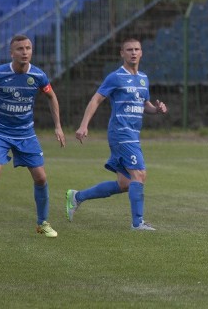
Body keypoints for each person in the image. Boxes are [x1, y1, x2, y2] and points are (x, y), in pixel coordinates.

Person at [66, 38, 167, 231]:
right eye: (129, 50)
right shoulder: (115, 77)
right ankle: (137, 223)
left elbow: (145, 105)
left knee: (125, 183)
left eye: (137, 49)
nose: (133, 53)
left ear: (142, 52)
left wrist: (157, 109)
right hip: (121, 132)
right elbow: (96, 99)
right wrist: (84, 125)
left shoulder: (143, 78)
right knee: (139, 175)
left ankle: (77, 196)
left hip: (133, 134)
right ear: (122, 53)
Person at [0, 34, 65, 237]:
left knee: (41, 178)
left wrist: (58, 126)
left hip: (25, 134)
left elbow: (51, 96)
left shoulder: (39, 76)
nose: (25, 52)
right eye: (20, 49)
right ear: (11, 53)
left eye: (28, 48)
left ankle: (42, 223)